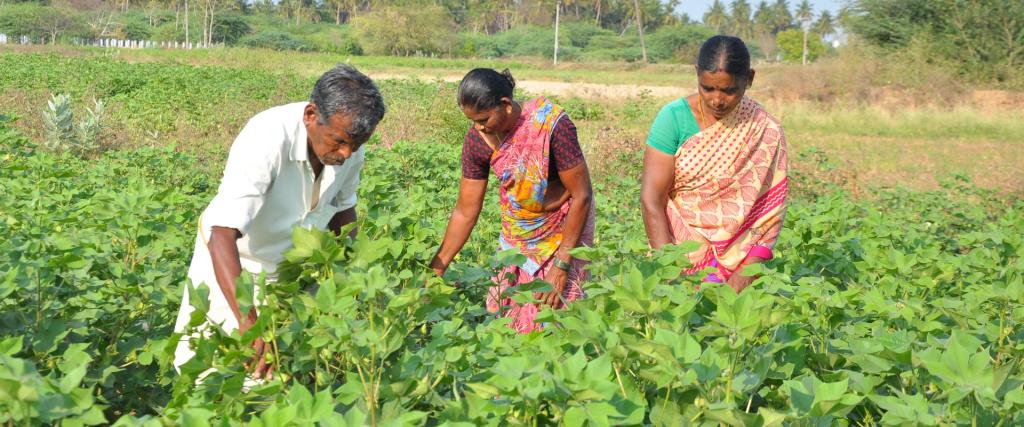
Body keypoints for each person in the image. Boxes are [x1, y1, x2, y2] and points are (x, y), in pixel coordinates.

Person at [173, 64, 386, 379]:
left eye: (355, 145)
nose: (345, 153)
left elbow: (343, 214)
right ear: (311, 115)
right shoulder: (267, 137)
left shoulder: (350, 148)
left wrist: (355, 283)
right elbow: (222, 234)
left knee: (284, 381)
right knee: (214, 375)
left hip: (291, 276)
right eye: (339, 141)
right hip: (234, 268)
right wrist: (250, 324)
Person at [429, 68, 595, 333]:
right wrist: (437, 268)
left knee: (555, 321)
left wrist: (562, 266)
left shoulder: (551, 125)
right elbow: (465, 211)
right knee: (505, 315)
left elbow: (581, 195)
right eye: (472, 121)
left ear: (505, 105)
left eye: (483, 119)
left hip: (564, 227)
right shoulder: (478, 142)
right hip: (517, 233)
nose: (479, 127)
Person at [640, 35, 788, 293]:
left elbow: (768, 215)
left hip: (742, 267)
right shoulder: (673, 118)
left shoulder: (765, 128)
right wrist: (668, 270)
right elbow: (652, 198)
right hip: (679, 254)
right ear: (697, 75)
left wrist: (740, 280)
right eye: (707, 88)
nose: (717, 100)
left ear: (749, 79)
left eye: (729, 90)